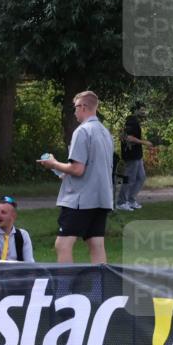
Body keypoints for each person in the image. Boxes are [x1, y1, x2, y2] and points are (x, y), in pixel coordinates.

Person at [38, 90, 114, 264]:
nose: (74, 112)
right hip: (102, 198)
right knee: (96, 244)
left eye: (75, 108)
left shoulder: (82, 131)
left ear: (83, 107)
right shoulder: (105, 133)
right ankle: (100, 289)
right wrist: (63, 172)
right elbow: (93, 167)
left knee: (62, 244)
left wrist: (53, 164)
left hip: (81, 199)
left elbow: (78, 169)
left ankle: (66, 289)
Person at [116, 101, 152, 211]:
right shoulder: (131, 120)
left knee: (141, 177)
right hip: (131, 156)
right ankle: (121, 202)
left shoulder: (134, 121)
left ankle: (131, 200)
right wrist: (145, 142)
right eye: (142, 109)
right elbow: (127, 137)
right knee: (129, 179)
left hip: (137, 155)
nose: (144, 112)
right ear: (135, 110)